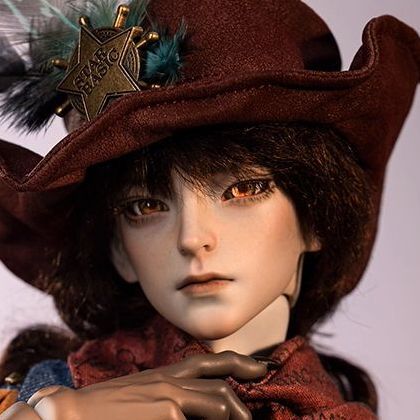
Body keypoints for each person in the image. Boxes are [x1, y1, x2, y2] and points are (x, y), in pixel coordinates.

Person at [0, 0, 418, 418]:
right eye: (145, 206)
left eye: (243, 190)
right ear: (119, 250)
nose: (192, 238)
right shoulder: (47, 392)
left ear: (314, 218)